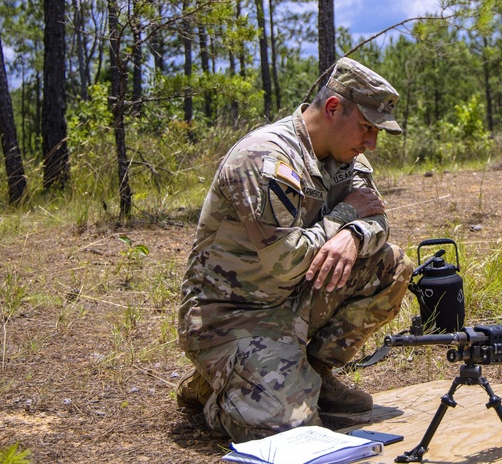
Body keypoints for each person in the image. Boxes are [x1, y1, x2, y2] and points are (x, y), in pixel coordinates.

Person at [175, 57, 414, 441]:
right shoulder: (267, 158)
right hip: (232, 313)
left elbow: (378, 220)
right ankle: (219, 391)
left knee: (391, 265)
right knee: (290, 430)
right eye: (367, 128)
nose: (371, 142)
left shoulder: (348, 159)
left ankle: (311, 373)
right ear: (333, 108)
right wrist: (345, 217)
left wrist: (352, 236)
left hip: (293, 300)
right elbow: (285, 262)